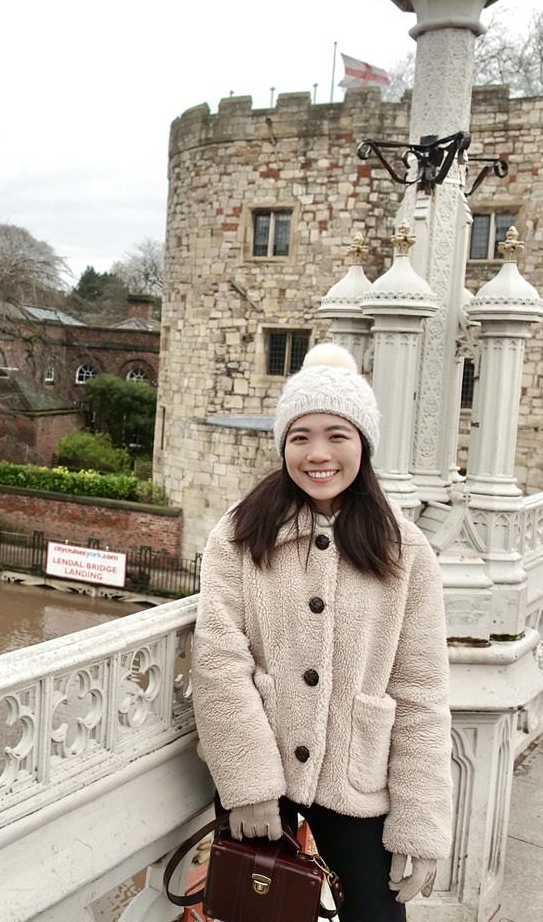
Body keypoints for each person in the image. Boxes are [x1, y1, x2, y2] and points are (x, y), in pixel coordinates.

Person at [191, 343, 452, 921]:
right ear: (282, 443)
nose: (318, 454)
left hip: (358, 778)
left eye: (338, 435)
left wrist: (419, 823)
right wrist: (250, 783)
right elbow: (218, 662)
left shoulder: (405, 551)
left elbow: (421, 693)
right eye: (300, 436)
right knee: (254, 914)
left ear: (364, 444)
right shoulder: (238, 535)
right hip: (262, 772)